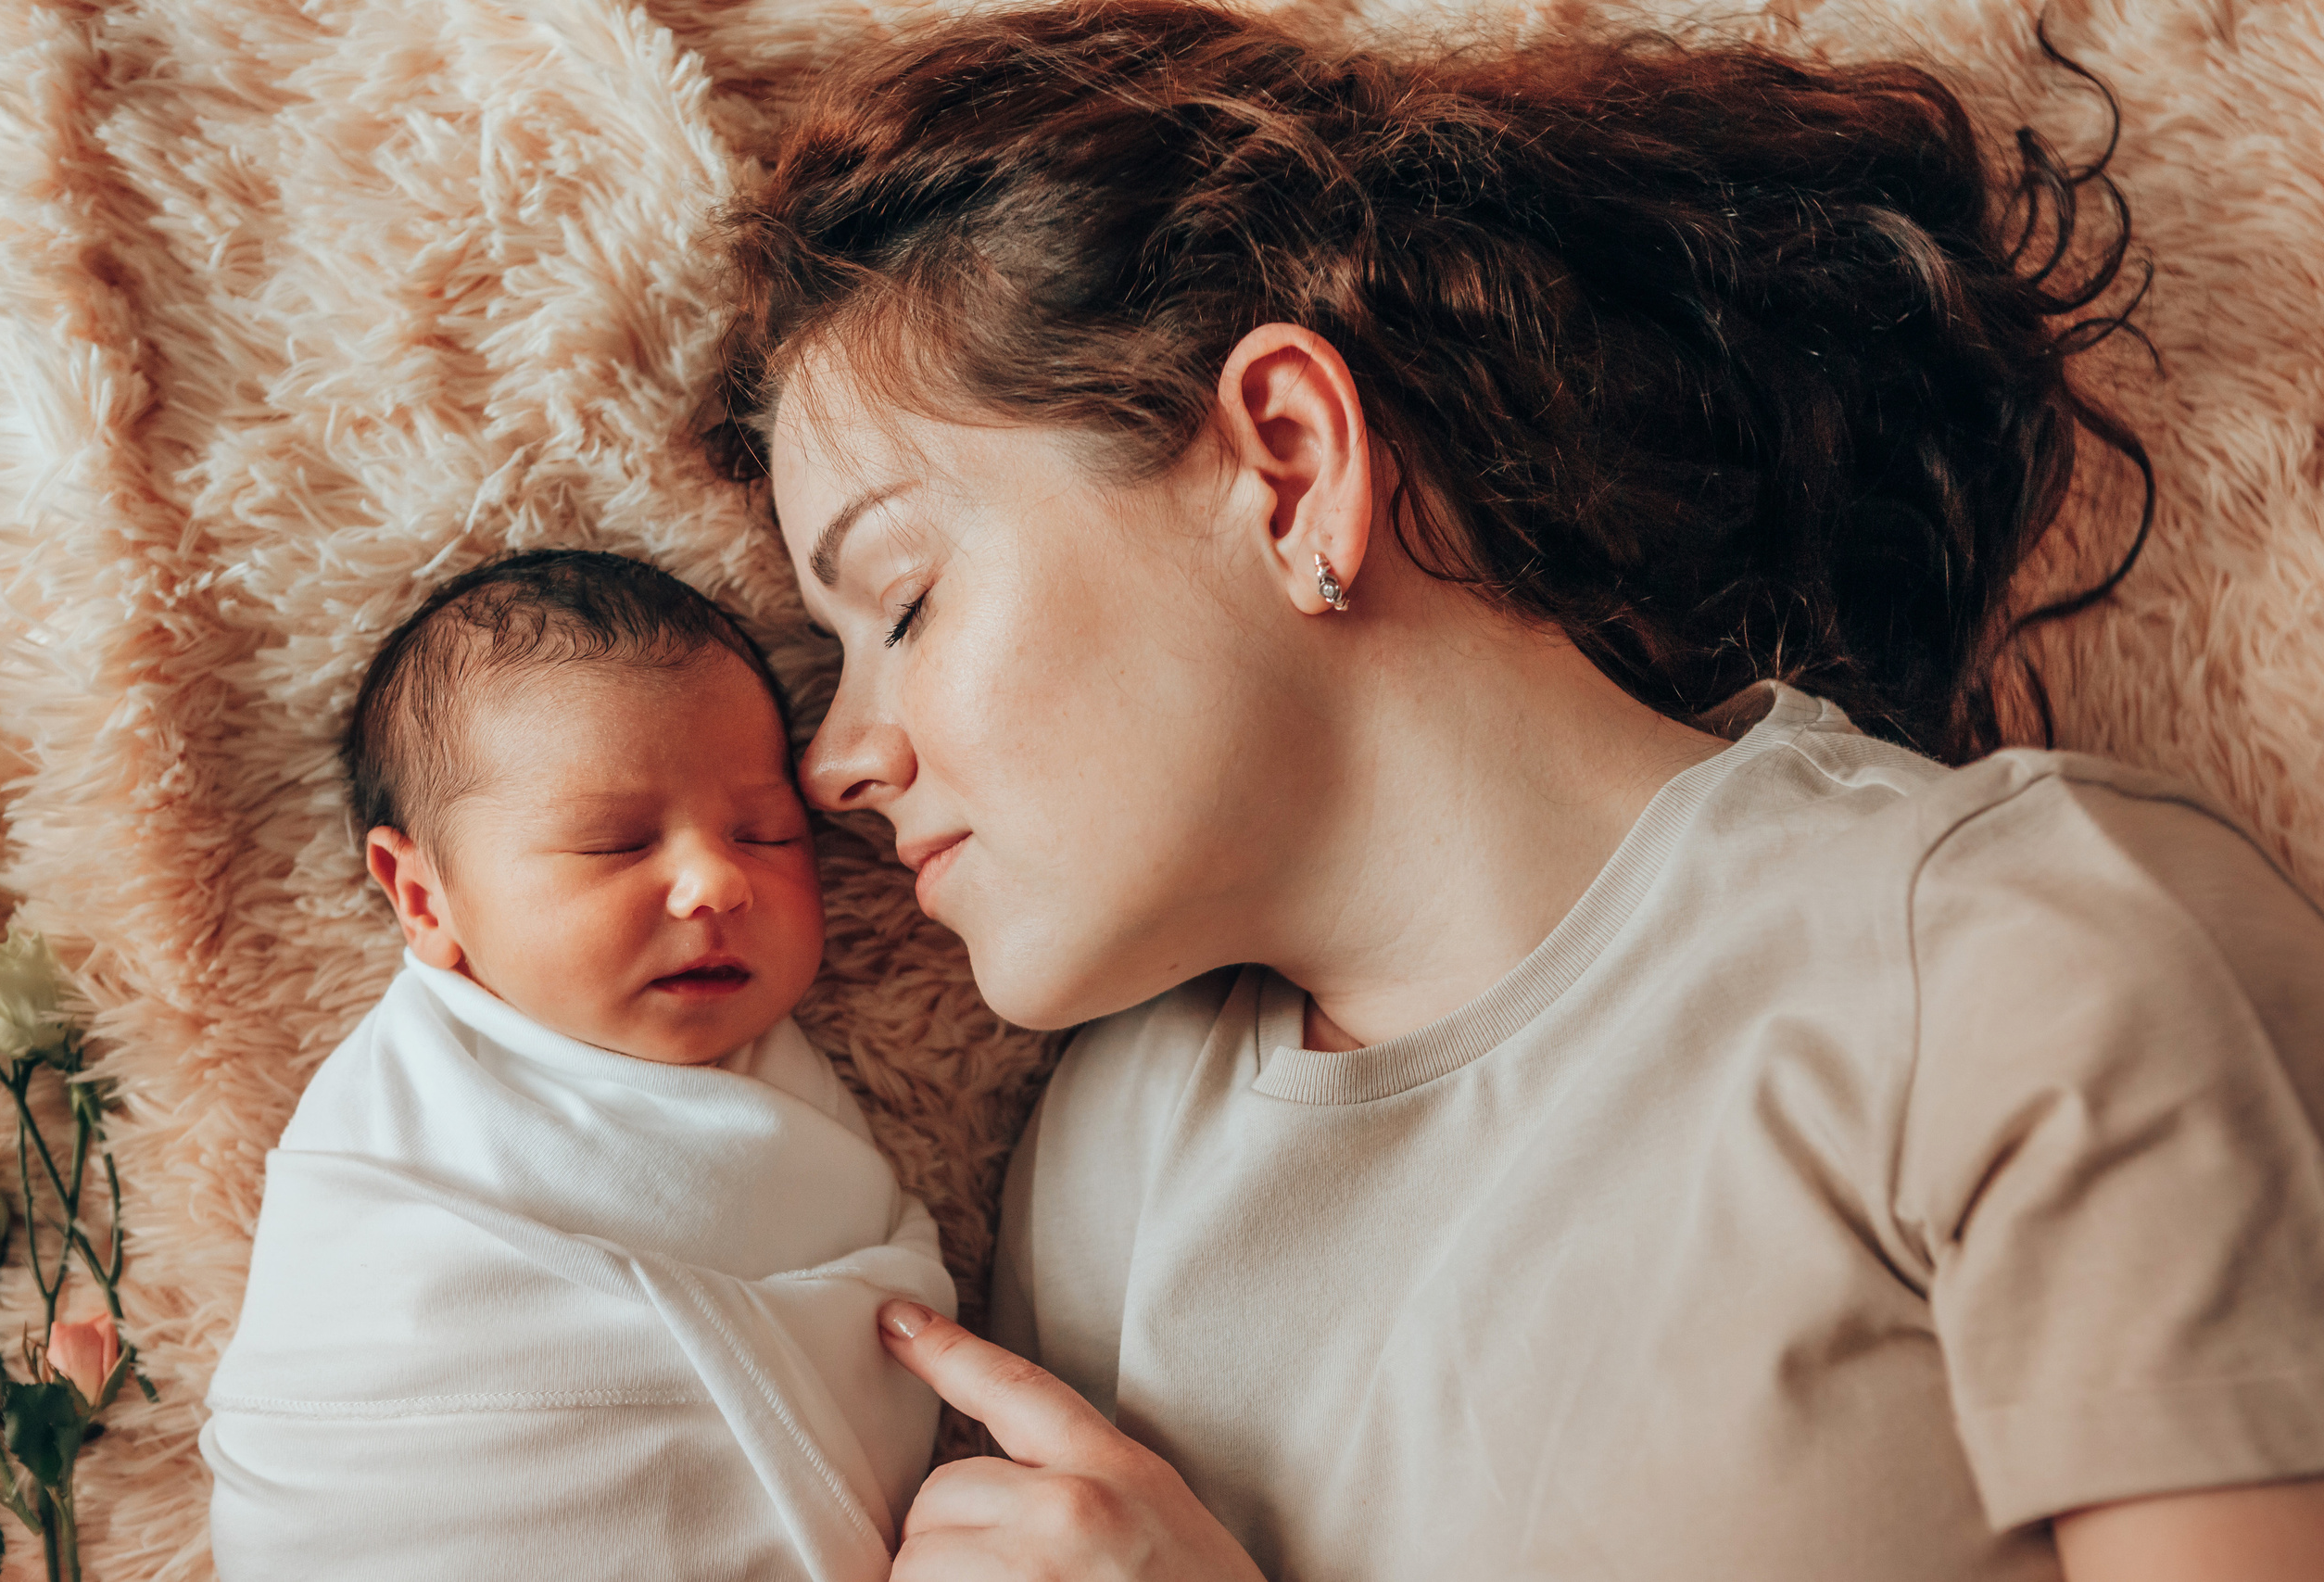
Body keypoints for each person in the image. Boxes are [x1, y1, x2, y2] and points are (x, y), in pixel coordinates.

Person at [714, 3, 2324, 1578]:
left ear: (1288, 463)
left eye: (906, 603)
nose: (838, 760)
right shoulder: (1108, 1163)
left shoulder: (2016, 957)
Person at [200, 551, 955, 1582]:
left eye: (766, 833)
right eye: (612, 843)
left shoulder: (792, 1083)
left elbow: (874, 1320)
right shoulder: (403, 1106)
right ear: (423, 899)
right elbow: (345, 1376)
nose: (713, 883)